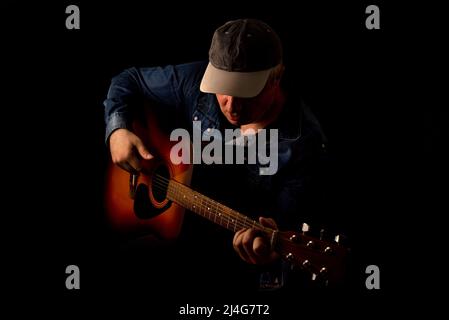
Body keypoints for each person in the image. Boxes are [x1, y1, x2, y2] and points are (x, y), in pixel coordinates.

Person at [104, 18, 329, 291]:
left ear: (276, 77)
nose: (231, 106)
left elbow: (288, 226)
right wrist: (118, 130)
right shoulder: (193, 79)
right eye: (222, 87)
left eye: (245, 92)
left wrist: (269, 254)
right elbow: (128, 79)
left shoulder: (304, 143)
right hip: (176, 232)